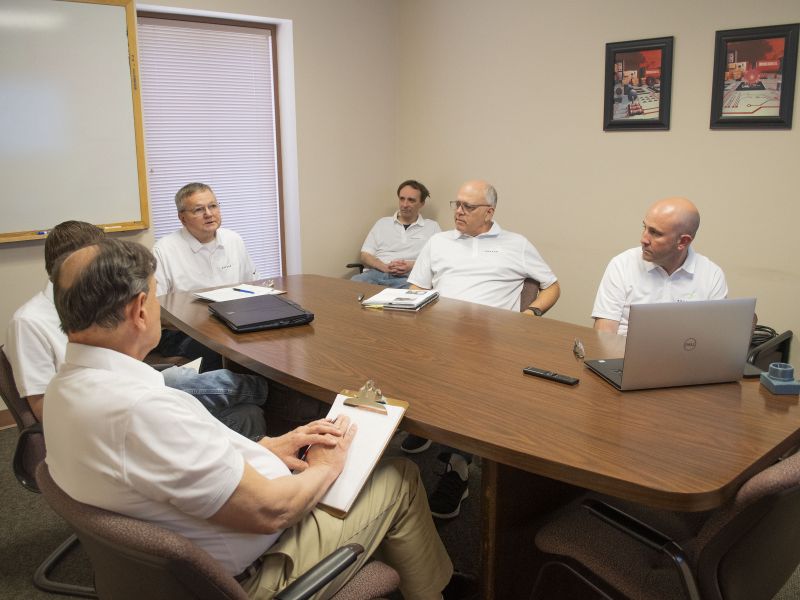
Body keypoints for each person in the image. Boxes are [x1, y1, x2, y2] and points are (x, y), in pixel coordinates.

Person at [44, 239, 472, 600]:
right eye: (155, 296)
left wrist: (269, 448)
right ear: (140, 310)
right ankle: (437, 590)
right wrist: (325, 468)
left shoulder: (66, 389)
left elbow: (166, 467)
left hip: (180, 560)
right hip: (255, 572)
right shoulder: (143, 411)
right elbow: (271, 511)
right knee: (398, 476)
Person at [5, 221, 266, 438]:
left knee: (230, 395)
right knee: (236, 389)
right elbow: (43, 408)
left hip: (126, 383)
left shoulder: (88, 307)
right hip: (110, 403)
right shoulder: (29, 322)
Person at [405, 179, 560, 519]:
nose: (458, 212)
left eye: (468, 207)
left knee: (467, 387)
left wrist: (531, 314)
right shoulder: (439, 241)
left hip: (494, 345)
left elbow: (551, 286)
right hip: (438, 335)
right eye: (456, 204)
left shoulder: (515, 244)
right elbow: (416, 285)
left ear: (489, 212)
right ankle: (424, 428)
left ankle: (457, 466)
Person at [153, 182, 258, 370]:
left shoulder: (233, 240)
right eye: (199, 210)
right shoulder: (164, 250)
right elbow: (155, 310)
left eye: (213, 206)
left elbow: (251, 286)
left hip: (232, 322)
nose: (209, 214)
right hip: (183, 331)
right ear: (182, 218)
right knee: (225, 351)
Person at [592, 196, 727, 336]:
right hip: (621, 355)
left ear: (683, 241)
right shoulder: (622, 265)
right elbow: (604, 336)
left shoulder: (712, 276)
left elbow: (713, 340)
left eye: (655, 233)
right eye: (644, 227)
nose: (643, 239)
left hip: (685, 357)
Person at [351, 180, 441, 288]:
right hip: (376, 274)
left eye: (411, 200)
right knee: (350, 287)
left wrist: (411, 265)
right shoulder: (382, 223)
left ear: (422, 203)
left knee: (413, 297)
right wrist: (384, 266)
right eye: (402, 199)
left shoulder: (432, 227)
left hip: (409, 278)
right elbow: (365, 255)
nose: (404, 204)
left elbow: (438, 259)